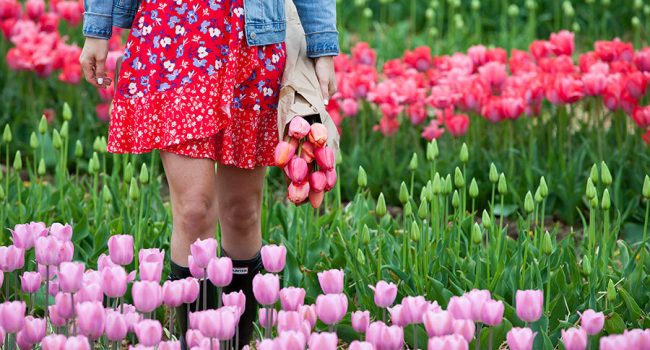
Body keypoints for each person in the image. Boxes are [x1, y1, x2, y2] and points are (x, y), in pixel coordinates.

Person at [79, 0, 339, 347]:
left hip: (252, 41)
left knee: (242, 211)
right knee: (194, 208)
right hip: (172, 34)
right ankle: (196, 343)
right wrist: (97, 28)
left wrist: (322, 45)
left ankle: (236, 343)